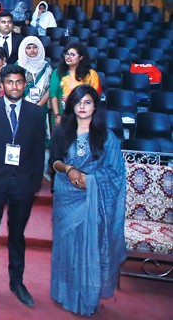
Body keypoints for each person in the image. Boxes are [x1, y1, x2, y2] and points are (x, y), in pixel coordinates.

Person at [48, 85, 125, 317]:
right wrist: (70, 169)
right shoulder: (62, 131)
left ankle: (87, 297)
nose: (82, 107)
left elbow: (116, 173)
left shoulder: (106, 136)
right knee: (67, 247)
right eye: (78, 102)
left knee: (89, 247)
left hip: (95, 201)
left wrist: (90, 180)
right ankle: (65, 292)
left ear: (95, 106)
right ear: (72, 105)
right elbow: (54, 162)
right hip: (66, 197)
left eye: (88, 102)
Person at [0, 65, 46, 307]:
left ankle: (17, 282)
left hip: (23, 185)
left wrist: (34, 182)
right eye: (10, 82)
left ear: (25, 85)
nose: (14, 86)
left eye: (19, 82)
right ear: (1, 85)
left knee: (17, 235)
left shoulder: (37, 114)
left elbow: (38, 151)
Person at [49, 42, 100, 127]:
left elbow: (95, 96)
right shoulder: (58, 72)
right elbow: (53, 94)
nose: (68, 57)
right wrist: (57, 115)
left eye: (72, 54)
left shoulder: (91, 74)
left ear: (81, 57)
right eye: (66, 54)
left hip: (83, 115)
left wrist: (72, 99)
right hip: (61, 114)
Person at [18, 36, 52, 111]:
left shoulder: (47, 67)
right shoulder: (18, 66)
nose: (32, 50)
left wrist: (39, 105)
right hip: (22, 107)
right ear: (24, 49)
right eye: (28, 48)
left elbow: (49, 89)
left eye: (35, 47)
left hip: (41, 106)